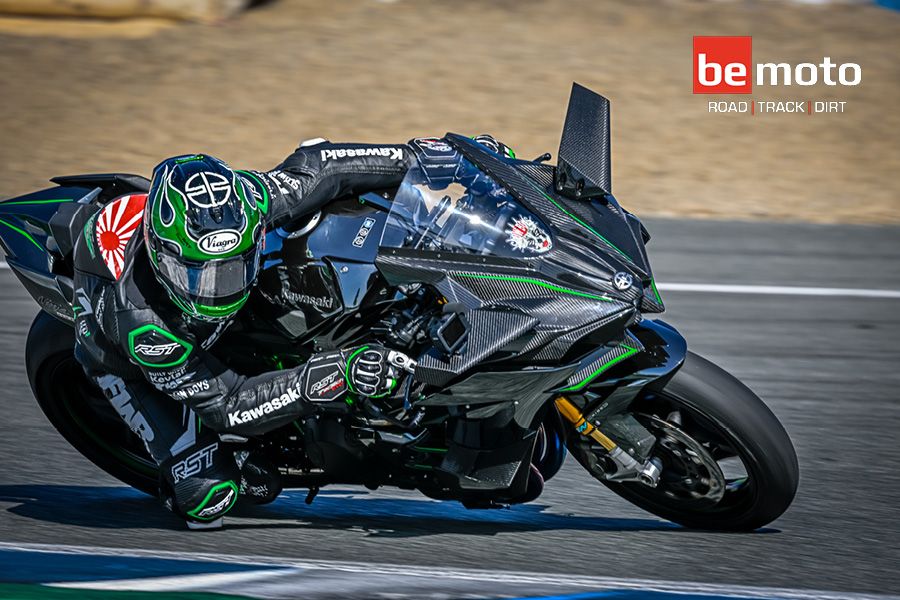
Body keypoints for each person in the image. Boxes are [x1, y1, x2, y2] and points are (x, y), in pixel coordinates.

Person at [71, 135, 509, 529]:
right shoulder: (143, 326)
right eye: (200, 275)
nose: (219, 287)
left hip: (208, 312)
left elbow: (325, 165)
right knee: (208, 492)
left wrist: (437, 157)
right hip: (116, 353)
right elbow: (228, 402)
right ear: (164, 257)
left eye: (233, 265)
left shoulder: (251, 201)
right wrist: (337, 373)